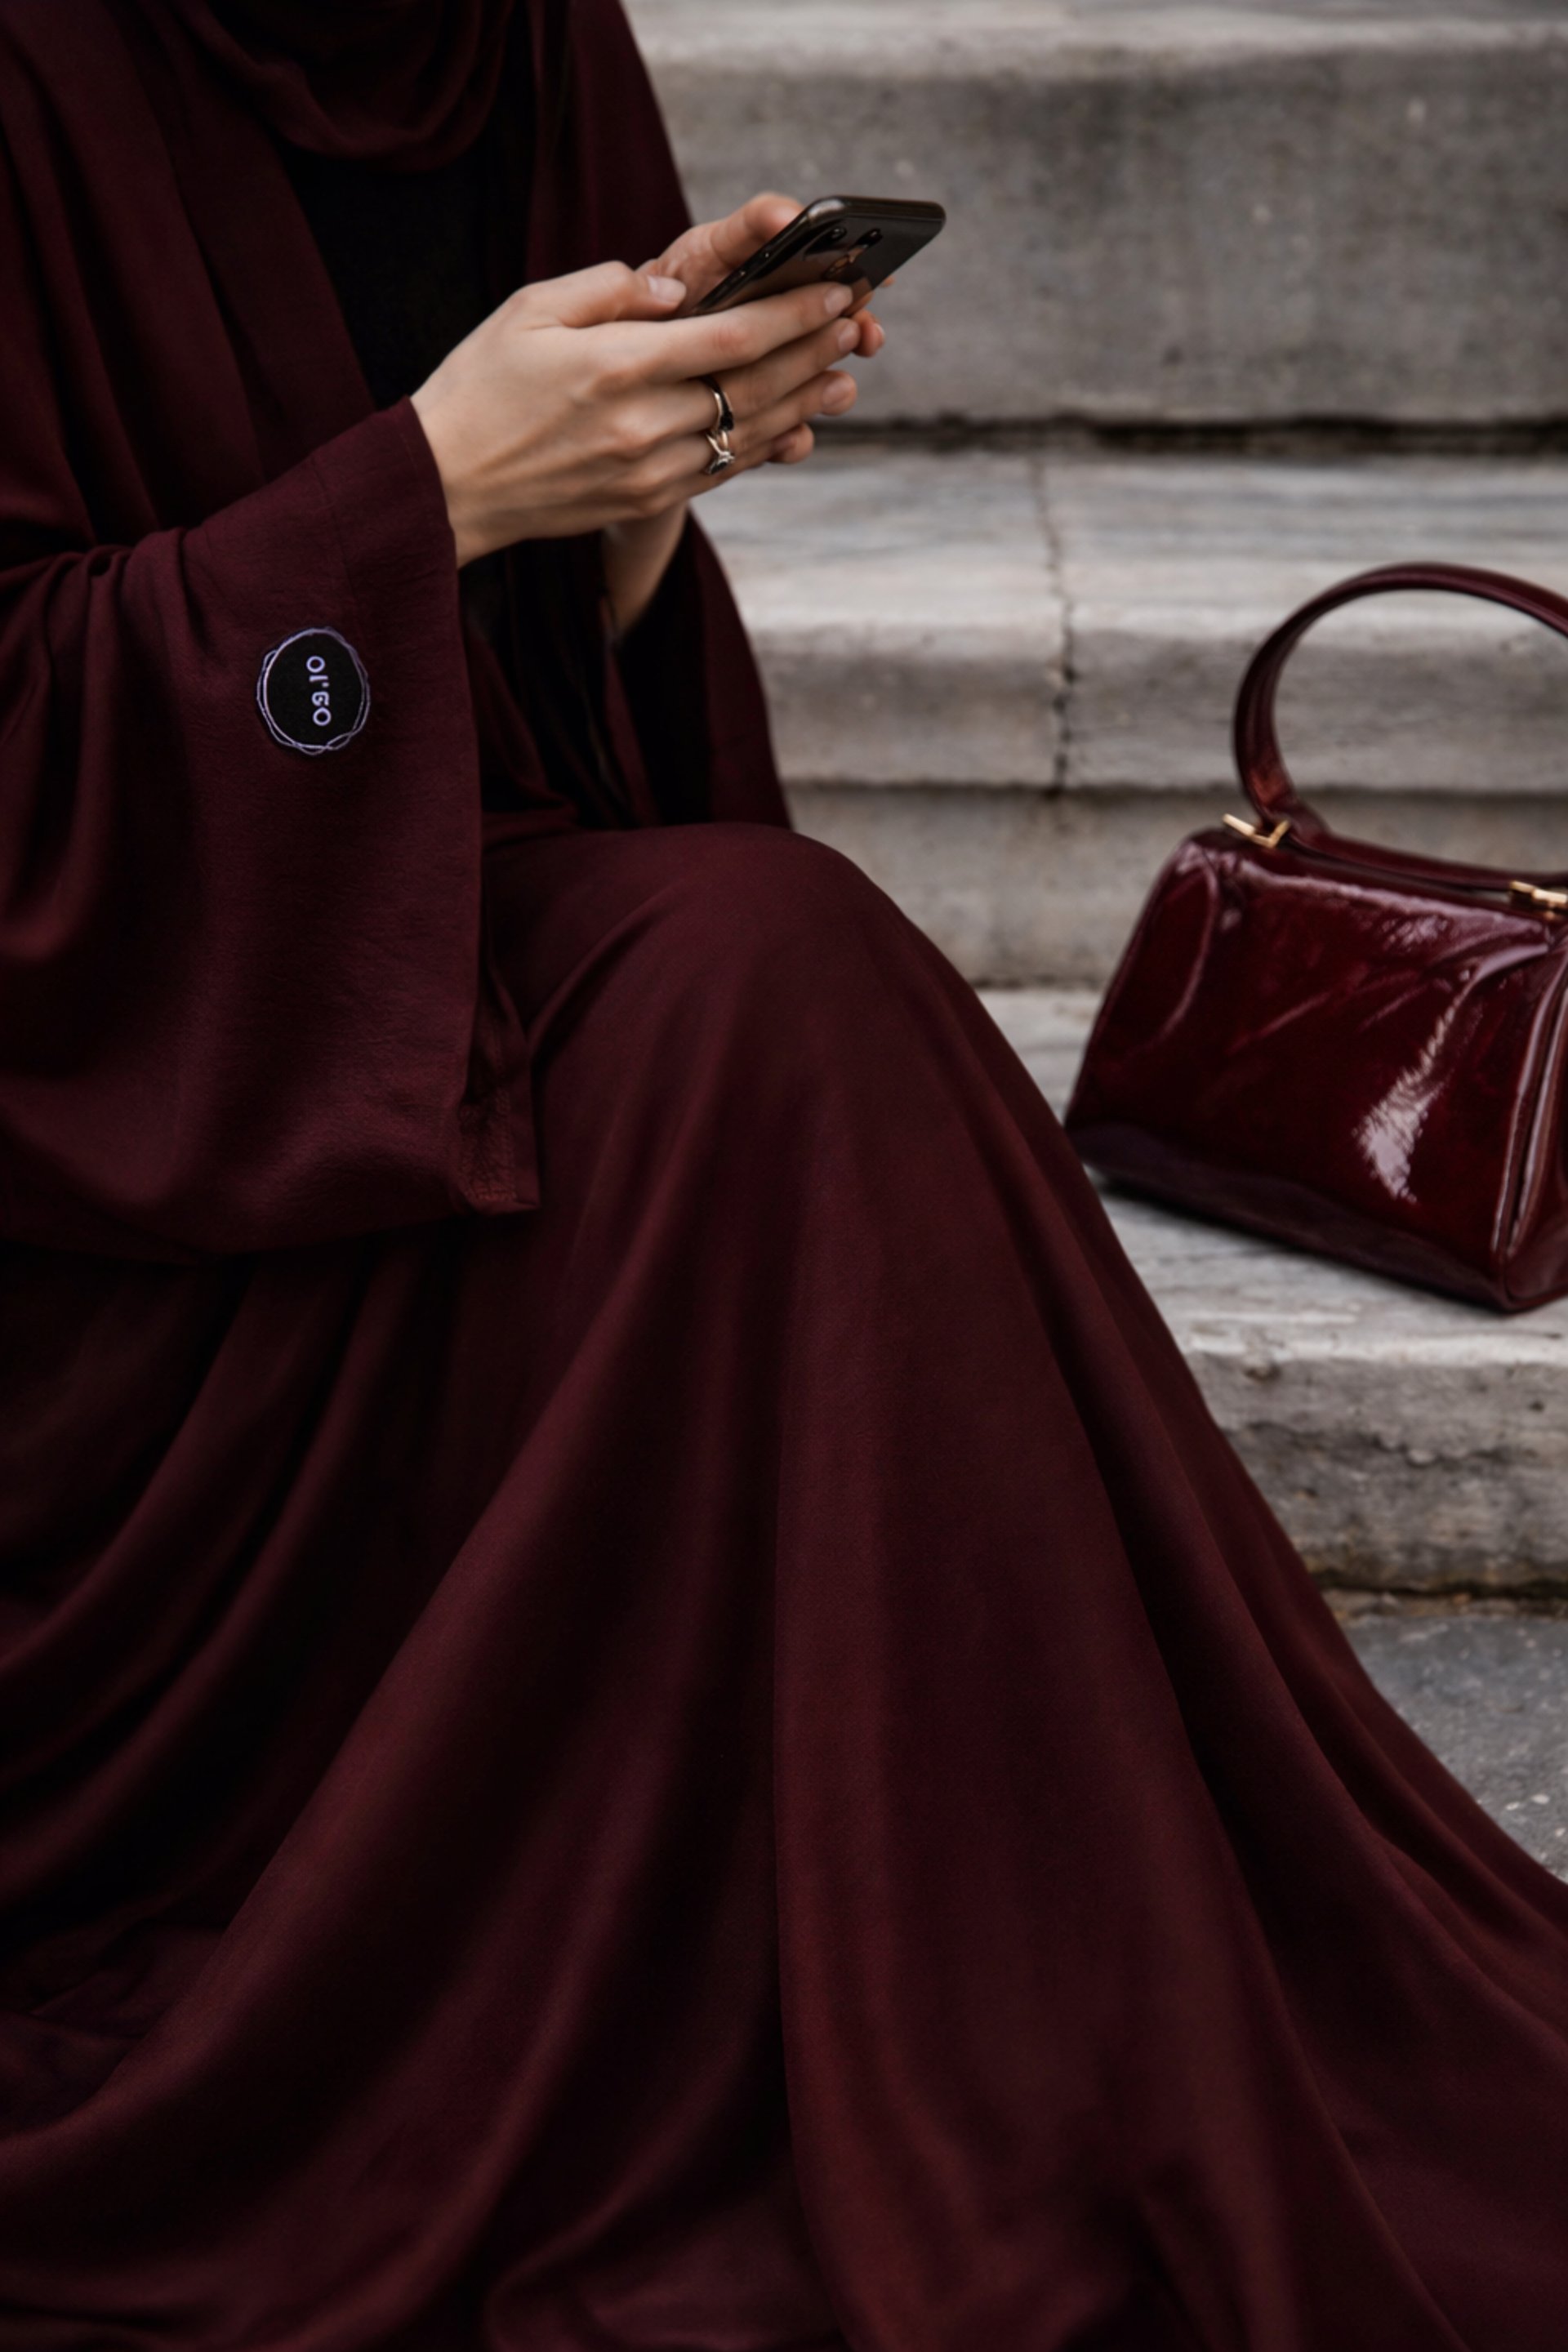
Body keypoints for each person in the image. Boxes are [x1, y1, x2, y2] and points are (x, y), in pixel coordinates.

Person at [0, 3, 1564, 2346]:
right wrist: (421, 495)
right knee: (768, 999)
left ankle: (1031, 2021)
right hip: (109, 1192)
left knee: (776, 1000)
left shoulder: (514, 35)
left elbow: (562, 738)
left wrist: (625, 493)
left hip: (433, 1015)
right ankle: (1010, 2055)